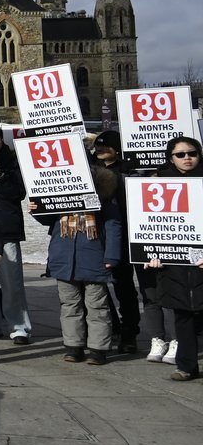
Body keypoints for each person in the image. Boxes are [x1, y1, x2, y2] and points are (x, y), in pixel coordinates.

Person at [33, 163, 123, 365]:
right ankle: (74, 347)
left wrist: (112, 257)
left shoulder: (103, 196)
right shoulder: (59, 194)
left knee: (97, 306)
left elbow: (113, 225)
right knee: (69, 305)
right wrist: (36, 209)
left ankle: (98, 349)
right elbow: (48, 219)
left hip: (94, 257)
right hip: (64, 257)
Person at [136, 135, 201, 379]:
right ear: (171, 158)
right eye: (180, 154)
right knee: (182, 313)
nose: (187, 158)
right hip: (173, 263)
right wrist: (151, 252)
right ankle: (186, 366)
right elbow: (150, 223)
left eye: (192, 153)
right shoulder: (157, 183)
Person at [0, 125, 32, 345]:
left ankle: (19, 326)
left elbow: (18, 192)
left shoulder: (13, 162)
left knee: (11, 283)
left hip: (6, 228)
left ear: (2, 140)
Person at [90, 131, 141, 354]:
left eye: (106, 146)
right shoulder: (89, 168)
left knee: (124, 286)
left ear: (118, 148)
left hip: (123, 232)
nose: (100, 149)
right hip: (95, 234)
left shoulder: (130, 170)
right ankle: (111, 327)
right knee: (95, 286)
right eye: (98, 146)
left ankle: (129, 332)